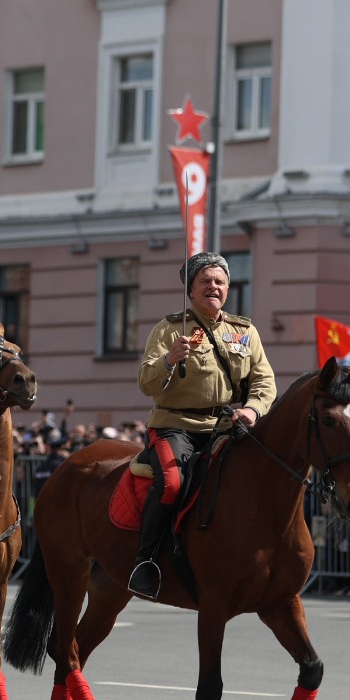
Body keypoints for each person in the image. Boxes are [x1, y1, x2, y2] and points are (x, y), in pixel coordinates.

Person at [128, 251, 276, 600]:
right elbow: (146, 383)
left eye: (220, 281)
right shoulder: (169, 329)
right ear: (191, 291)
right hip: (174, 424)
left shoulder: (245, 331)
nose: (214, 286)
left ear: (228, 288)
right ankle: (145, 561)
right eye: (205, 281)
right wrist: (169, 360)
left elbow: (264, 382)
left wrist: (253, 410)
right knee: (172, 485)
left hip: (226, 425)